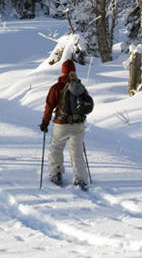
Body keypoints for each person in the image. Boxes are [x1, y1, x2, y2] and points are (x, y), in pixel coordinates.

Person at [40, 59, 92, 190]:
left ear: (62, 71)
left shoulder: (56, 87)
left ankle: (56, 173)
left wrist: (45, 123)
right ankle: (81, 180)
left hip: (61, 124)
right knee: (77, 153)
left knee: (56, 149)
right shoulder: (80, 87)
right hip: (78, 125)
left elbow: (49, 107)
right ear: (74, 70)